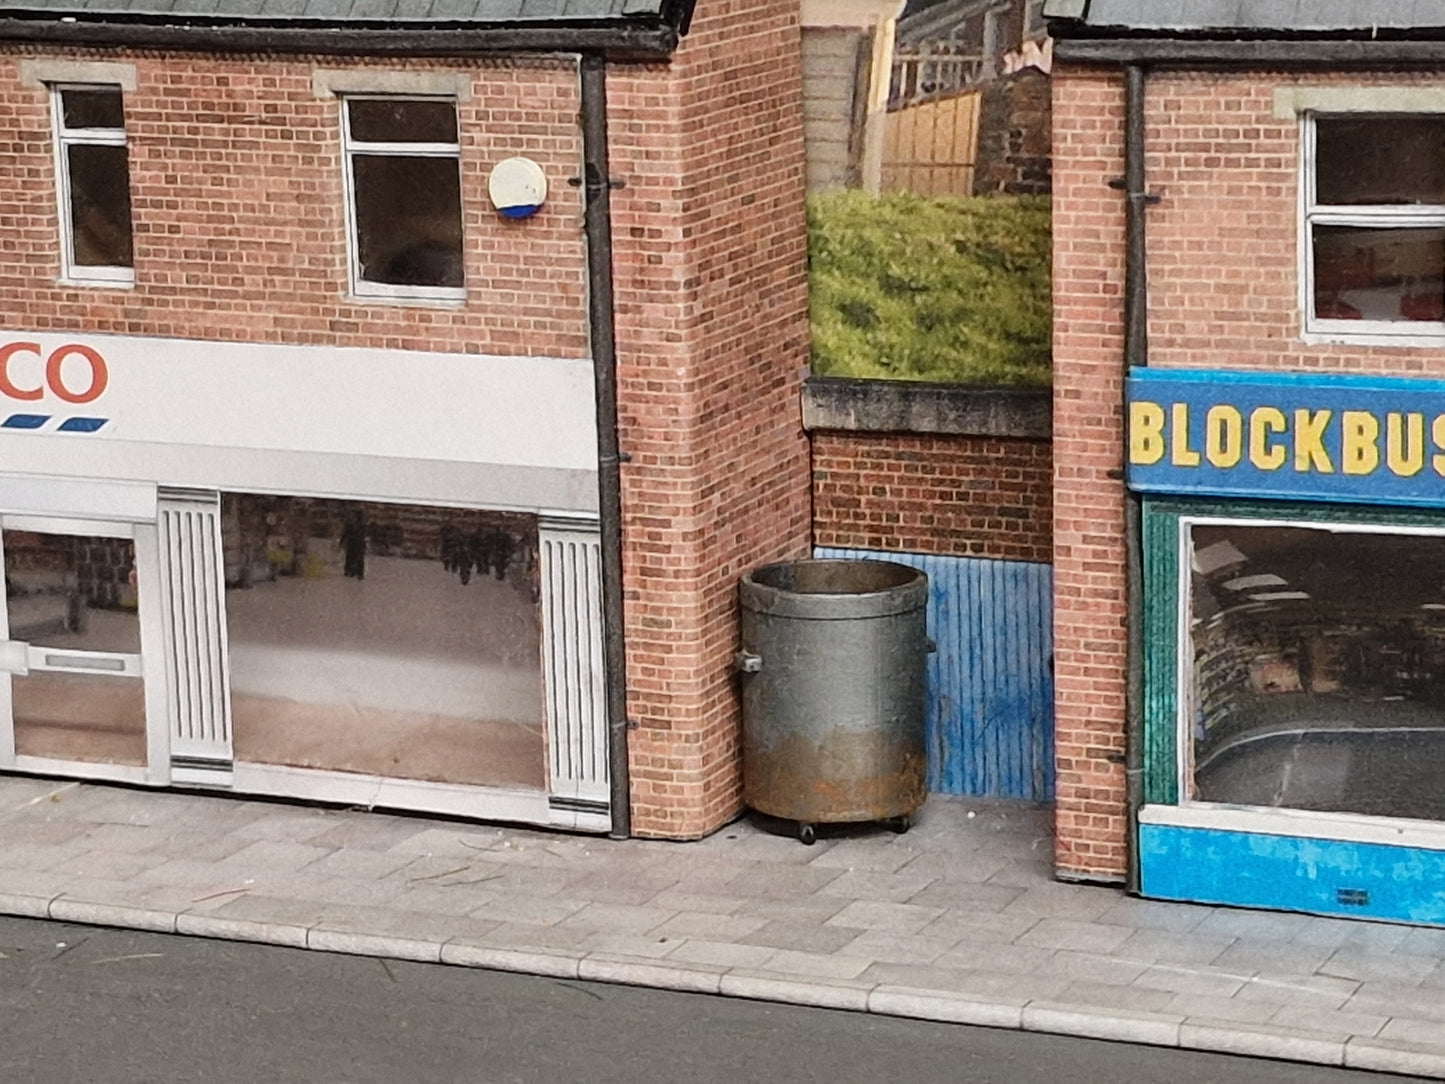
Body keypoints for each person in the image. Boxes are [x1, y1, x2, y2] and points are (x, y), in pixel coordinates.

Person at [340, 509, 367, 581]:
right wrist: (342, 542)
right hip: (351, 543)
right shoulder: (349, 524)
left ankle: (359, 573)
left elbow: (362, 535)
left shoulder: (362, 525)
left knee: (359, 558)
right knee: (350, 557)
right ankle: (350, 571)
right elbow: (345, 533)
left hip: (359, 543)